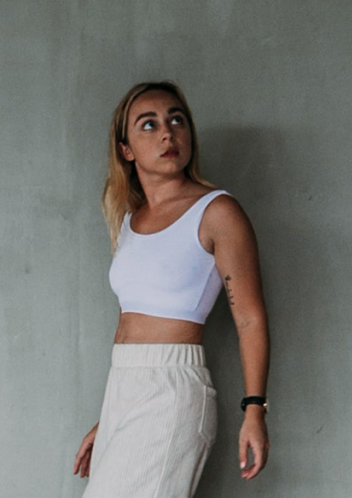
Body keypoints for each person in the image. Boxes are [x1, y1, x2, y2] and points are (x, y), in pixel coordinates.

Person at [72, 81, 270, 497]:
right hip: (123, 387)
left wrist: (254, 409)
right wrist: (108, 417)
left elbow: (250, 319)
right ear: (126, 150)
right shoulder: (130, 220)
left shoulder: (217, 212)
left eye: (176, 120)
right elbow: (129, 320)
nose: (167, 133)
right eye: (149, 124)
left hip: (173, 390)